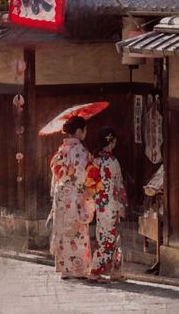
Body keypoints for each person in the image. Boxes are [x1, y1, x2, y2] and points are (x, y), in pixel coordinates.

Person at [48, 115, 94, 279]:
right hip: (75, 194)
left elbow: (57, 174)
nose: (86, 133)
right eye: (85, 129)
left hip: (61, 195)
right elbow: (84, 175)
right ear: (79, 131)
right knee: (78, 232)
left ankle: (65, 269)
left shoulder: (62, 150)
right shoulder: (81, 151)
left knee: (63, 231)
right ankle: (79, 269)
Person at [86, 126, 127, 283]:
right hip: (112, 204)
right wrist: (121, 206)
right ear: (112, 141)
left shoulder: (95, 160)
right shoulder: (112, 161)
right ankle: (97, 271)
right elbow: (119, 185)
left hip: (100, 203)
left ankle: (117, 270)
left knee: (105, 236)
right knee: (109, 238)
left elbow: (90, 182)